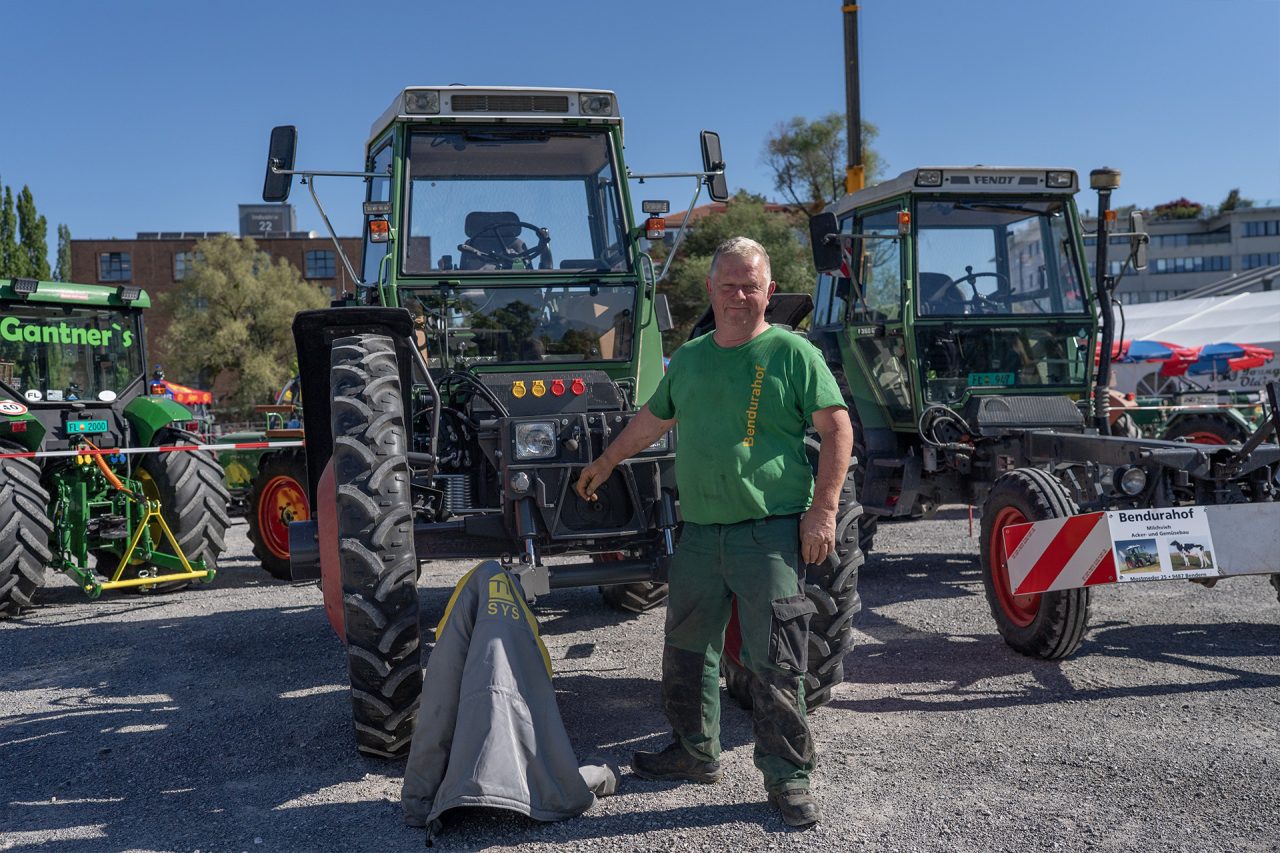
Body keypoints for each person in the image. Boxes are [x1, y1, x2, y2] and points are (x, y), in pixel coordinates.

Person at [574, 236, 852, 828]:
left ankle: (788, 777)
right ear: (711, 289)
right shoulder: (692, 357)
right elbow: (653, 418)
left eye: (751, 285)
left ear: (769, 291)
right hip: (700, 535)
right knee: (685, 651)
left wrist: (822, 512)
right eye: (728, 285)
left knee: (776, 662)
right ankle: (694, 753)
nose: (739, 296)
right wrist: (605, 462)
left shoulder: (792, 353)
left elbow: (837, 431)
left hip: (769, 535)